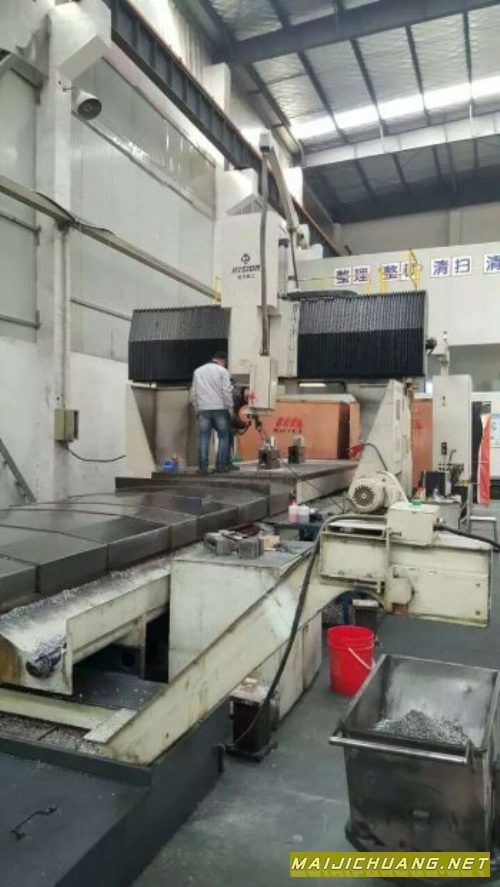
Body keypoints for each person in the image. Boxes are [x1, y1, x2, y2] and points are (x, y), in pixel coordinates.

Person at [190, 352, 234, 474]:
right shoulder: (223, 371)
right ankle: (221, 466)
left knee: (204, 438)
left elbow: (194, 393)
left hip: (203, 409)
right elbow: (227, 391)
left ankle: (203, 468)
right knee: (224, 436)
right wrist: (230, 409)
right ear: (222, 361)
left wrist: (197, 409)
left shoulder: (198, 371)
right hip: (220, 409)